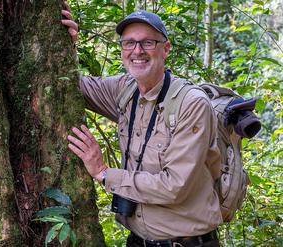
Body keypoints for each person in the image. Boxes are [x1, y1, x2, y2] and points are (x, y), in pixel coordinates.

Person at [62, 5, 222, 247]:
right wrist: (66, 45)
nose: (137, 50)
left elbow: (175, 186)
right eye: (129, 43)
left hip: (188, 243)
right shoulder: (125, 90)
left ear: (165, 49)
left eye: (148, 43)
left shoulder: (191, 104)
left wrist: (104, 173)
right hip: (137, 241)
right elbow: (74, 87)